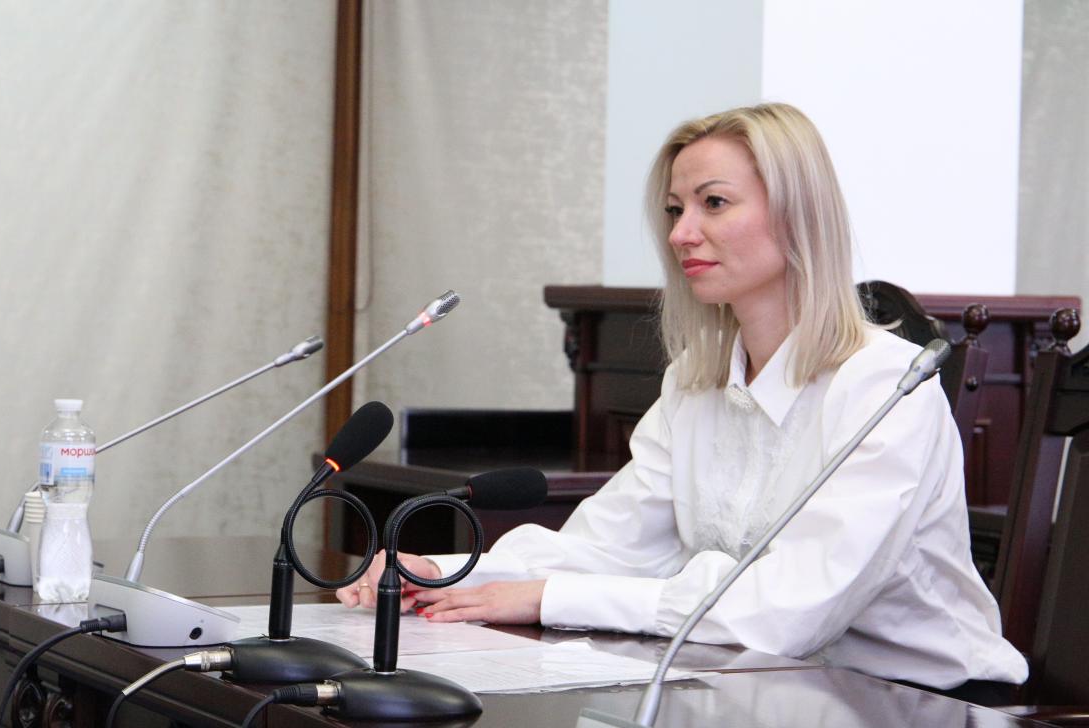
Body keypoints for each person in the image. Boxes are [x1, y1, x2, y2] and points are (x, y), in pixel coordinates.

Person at [337, 103, 1028, 696]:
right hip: (762, 686)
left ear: (799, 216)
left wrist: (548, 597)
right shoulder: (697, 378)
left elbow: (790, 611)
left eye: (713, 204)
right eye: (675, 209)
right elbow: (611, 545)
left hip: (923, 701)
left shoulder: (885, 385)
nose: (679, 234)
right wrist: (445, 573)